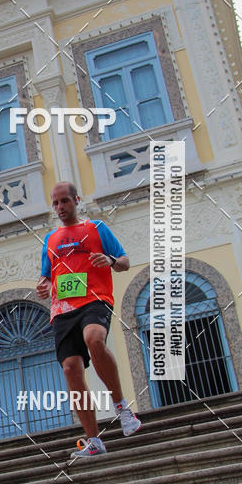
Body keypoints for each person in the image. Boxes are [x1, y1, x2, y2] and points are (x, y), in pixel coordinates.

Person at [36, 182, 141, 459]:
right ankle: (94, 440)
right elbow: (47, 275)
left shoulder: (96, 228)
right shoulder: (50, 239)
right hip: (62, 308)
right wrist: (43, 285)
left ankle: (121, 407)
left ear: (76, 200)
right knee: (71, 369)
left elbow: (125, 262)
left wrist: (109, 260)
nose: (60, 208)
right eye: (55, 203)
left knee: (94, 339)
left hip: (95, 299)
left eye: (65, 202)